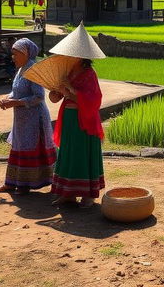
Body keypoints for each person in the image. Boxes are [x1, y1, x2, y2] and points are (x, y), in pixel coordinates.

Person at [48, 23, 105, 208]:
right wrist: (56, 91)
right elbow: (55, 98)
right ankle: (68, 194)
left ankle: (88, 196)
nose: (68, 56)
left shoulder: (89, 74)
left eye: (71, 53)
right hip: (69, 120)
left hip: (85, 122)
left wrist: (70, 90)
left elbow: (94, 100)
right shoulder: (67, 72)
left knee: (82, 154)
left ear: (81, 57)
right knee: (68, 153)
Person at [0, 38, 56, 195]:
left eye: (16, 54)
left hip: (35, 119)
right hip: (22, 119)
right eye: (12, 54)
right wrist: (8, 98)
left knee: (30, 148)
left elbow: (39, 96)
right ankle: (12, 183)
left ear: (26, 54)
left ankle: (25, 184)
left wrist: (16, 102)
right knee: (19, 147)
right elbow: (16, 90)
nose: (12, 57)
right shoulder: (20, 69)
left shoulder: (33, 70)